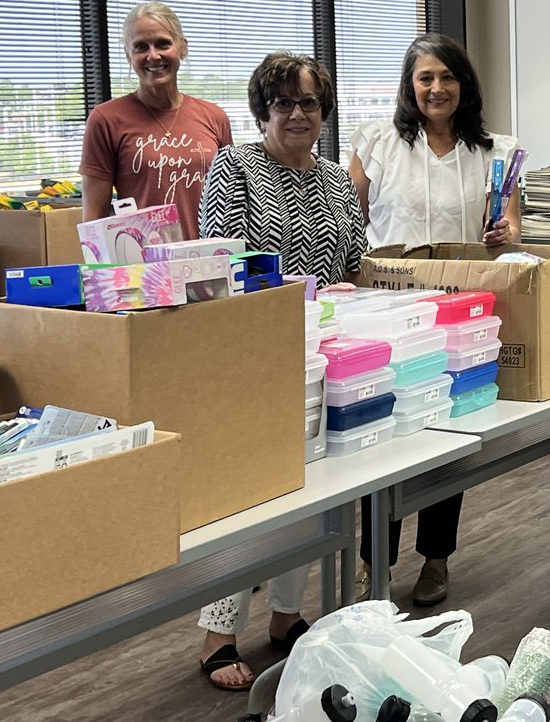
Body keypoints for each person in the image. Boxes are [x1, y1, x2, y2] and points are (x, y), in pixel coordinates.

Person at [194, 51, 367, 689]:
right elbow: (224, 263)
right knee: (252, 500)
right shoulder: (234, 166)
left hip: (324, 355)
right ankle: (218, 633)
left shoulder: (334, 179)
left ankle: (286, 617)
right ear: (263, 110)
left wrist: (348, 288)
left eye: (309, 103)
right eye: (283, 103)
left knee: (314, 492)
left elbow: (356, 262)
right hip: (251, 357)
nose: (297, 114)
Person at [347, 33, 519, 607]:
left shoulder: (495, 151)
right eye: (425, 78)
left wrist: (505, 233)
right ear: (409, 85)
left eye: (448, 77)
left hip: (460, 311)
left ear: (464, 84)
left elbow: (509, 227)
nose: (437, 88)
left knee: (450, 430)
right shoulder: (377, 143)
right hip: (389, 310)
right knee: (385, 429)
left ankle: (437, 558)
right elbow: (353, 217)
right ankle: (374, 560)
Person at [80, 1, 232, 240]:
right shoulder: (106, 119)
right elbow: (93, 223)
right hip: (146, 272)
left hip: (210, 265)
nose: (153, 55)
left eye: (163, 44)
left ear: (183, 48)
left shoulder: (214, 117)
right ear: (129, 56)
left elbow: (230, 205)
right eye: (141, 47)